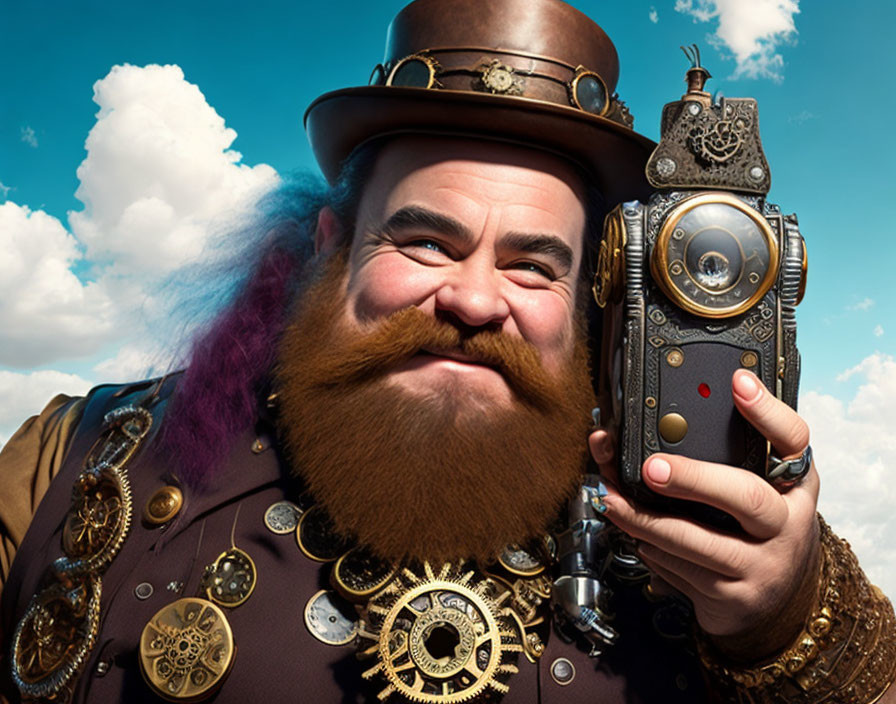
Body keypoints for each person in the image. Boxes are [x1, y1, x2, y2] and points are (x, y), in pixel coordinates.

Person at [0, 0, 893, 702]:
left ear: (590, 298)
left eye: (533, 265)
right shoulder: (74, 458)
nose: (471, 298)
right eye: (425, 242)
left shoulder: (690, 529)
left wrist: (782, 615)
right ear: (329, 250)